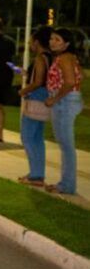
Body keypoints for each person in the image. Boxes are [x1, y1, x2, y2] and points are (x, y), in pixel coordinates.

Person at [43, 27, 83, 195]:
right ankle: (66, 183)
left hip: (65, 101)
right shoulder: (67, 57)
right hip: (66, 99)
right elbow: (79, 76)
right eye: (52, 38)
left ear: (66, 44)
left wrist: (55, 98)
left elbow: (70, 82)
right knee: (65, 144)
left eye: (57, 39)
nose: (52, 42)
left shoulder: (65, 58)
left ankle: (67, 185)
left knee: (66, 146)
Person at [17, 26, 53, 187]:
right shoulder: (50, 57)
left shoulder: (40, 58)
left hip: (36, 98)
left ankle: (36, 175)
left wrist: (23, 91)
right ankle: (38, 173)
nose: (30, 44)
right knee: (38, 138)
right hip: (45, 98)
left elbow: (38, 82)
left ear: (37, 42)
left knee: (28, 137)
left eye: (31, 41)